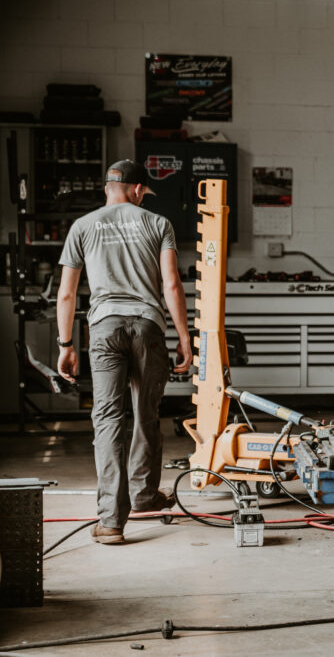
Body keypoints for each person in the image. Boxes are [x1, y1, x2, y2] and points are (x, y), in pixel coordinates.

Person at [55, 159, 192, 544]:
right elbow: (172, 285)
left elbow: (67, 293)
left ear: (107, 189)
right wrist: (184, 337)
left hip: (104, 328)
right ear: (137, 190)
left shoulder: (83, 226)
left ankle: (112, 521)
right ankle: (146, 495)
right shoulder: (158, 223)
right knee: (146, 413)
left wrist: (66, 345)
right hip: (147, 326)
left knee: (109, 419)